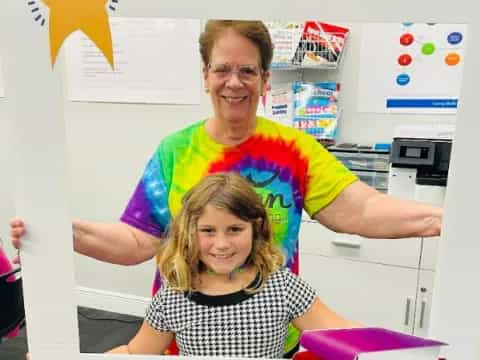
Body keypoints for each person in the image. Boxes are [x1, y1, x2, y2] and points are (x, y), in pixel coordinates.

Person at [10, 19, 442, 356]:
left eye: (247, 71)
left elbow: (360, 211)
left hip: (270, 329)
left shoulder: (293, 149)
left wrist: (448, 219)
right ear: (205, 74)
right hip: (186, 330)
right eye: (222, 69)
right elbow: (138, 240)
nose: (234, 82)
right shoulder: (176, 151)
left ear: (265, 78)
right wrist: (57, 231)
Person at [107, 172, 361, 357]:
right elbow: (135, 352)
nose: (221, 244)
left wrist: (393, 349)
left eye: (235, 229)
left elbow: (345, 335)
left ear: (256, 227)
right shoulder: (173, 296)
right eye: (207, 230)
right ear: (189, 232)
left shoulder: (283, 288)